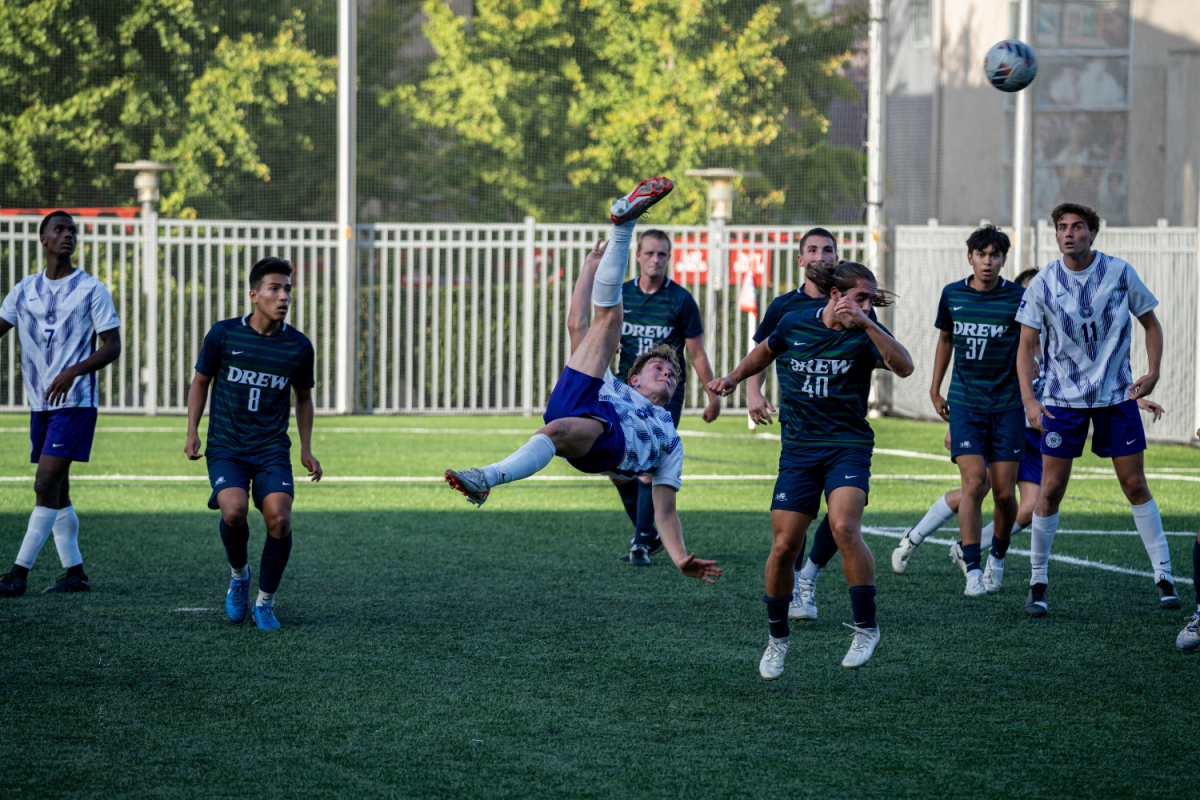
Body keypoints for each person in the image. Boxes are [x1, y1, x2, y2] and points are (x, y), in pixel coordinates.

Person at [445, 177, 720, 586]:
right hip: (588, 401)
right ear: (636, 375)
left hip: (610, 443)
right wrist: (588, 270)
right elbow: (577, 325)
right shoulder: (614, 384)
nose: (668, 373)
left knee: (559, 427)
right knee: (607, 323)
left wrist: (680, 557)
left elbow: (665, 510)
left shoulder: (669, 436)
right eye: (660, 368)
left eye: (673, 374)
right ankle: (623, 224)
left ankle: (486, 478)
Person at [709, 262, 914, 677]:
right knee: (784, 547)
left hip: (847, 447)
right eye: (857, 297)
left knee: (844, 527)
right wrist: (734, 378)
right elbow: (766, 351)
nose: (864, 306)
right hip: (799, 451)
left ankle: (866, 627)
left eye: (870, 300)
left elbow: (904, 366)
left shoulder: (867, 334)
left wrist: (869, 324)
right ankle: (776, 640)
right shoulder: (794, 323)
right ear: (835, 295)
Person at [1016, 202, 1179, 617]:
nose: (1069, 233)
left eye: (1078, 227)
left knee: (1135, 485)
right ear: (1055, 235)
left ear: (1093, 233)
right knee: (1050, 490)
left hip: (1115, 398)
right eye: (1061, 228)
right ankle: (1037, 581)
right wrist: (1030, 401)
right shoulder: (1043, 283)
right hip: (1060, 401)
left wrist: (1154, 371)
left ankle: (1164, 576)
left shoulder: (1120, 272)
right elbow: (1026, 345)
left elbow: (1151, 324)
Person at [185, 257, 322, 630]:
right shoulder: (224, 334)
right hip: (227, 445)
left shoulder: (298, 347)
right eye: (274, 289)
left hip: (271, 448)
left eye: (288, 289)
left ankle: (265, 602)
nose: (283, 297)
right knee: (233, 511)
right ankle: (240, 577)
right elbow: (201, 381)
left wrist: (306, 448)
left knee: (279, 517)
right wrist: (192, 430)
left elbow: (304, 398)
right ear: (254, 295)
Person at [892, 227, 1026, 596]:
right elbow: (946, 338)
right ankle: (971, 570)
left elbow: (1030, 348)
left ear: (1003, 259)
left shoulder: (1018, 298)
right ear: (970, 257)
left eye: (995, 255)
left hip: (1008, 406)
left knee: (1003, 493)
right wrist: (934, 389)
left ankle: (997, 556)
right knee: (973, 484)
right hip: (965, 403)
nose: (988, 261)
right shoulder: (952, 294)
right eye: (981, 254)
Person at [0, 211, 122, 597]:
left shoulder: (91, 289)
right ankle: (75, 574)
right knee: (59, 491)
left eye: (72, 230)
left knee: (45, 483)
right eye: (59, 229)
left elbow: (113, 345)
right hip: (40, 404)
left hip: (76, 403)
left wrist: (73, 371)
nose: (67, 235)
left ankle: (17, 574)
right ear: (44, 239)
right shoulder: (22, 290)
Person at [744, 228, 844, 622]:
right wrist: (754, 392)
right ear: (800, 260)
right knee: (796, 518)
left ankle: (809, 578)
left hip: (845, 430)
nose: (821, 256)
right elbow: (762, 352)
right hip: (800, 429)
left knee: (843, 517)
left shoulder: (851, 302)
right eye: (813, 250)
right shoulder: (785, 306)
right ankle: (794, 590)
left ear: (837, 258)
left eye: (828, 250)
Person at [606, 228, 721, 566]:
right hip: (626, 390)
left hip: (664, 395)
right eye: (649, 253)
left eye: (662, 254)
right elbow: (604, 331)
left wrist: (712, 393)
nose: (655, 260)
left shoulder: (681, 300)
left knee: (647, 467)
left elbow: (697, 352)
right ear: (638, 256)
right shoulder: (622, 294)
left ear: (668, 258)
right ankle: (650, 534)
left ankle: (641, 542)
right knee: (616, 468)